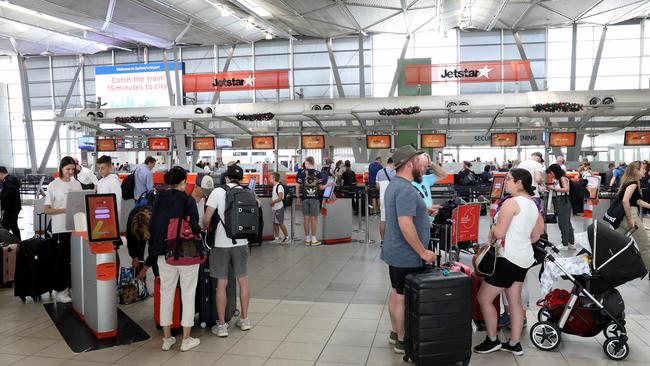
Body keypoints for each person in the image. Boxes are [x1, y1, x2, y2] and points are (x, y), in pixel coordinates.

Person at [473, 169, 544, 356]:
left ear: (520, 183)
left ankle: (492, 340)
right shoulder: (533, 205)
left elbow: (499, 233)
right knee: (515, 301)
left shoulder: (511, 203)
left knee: (483, 298)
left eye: (509, 180)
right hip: (523, 259)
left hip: (507, 259)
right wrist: (520, 241)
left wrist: (494, 228)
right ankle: (514, 343)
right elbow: (536, 236)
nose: (506, 183)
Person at [381, 145, 437, 354]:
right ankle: (403, 340)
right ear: (409, 164)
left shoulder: (396, 184)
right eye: (420, 163)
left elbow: (402, 214)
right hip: (406, 254)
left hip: (396, 251)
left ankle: (396, 332)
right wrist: (423, 252)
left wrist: (424, 210)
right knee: (402, 297)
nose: (423, 168)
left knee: (396, 293)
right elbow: (405, 224)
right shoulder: (404, 188)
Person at [149, 166, 201, 352]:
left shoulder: (158, 199)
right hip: (185, 253)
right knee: (188, 293)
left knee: (166, 294)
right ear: (183, 182)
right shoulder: (187, 200)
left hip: (164, 254)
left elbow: (153, 227)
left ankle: (167, 338)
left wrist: (152, 255)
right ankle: (186, 340)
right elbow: (195, 227)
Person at [203, 163, 252, 337]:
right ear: (240, 179)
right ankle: (245, 320)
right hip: (242, 242)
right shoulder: (248, 192)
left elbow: (207, 219)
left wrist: (203, 227)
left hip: (221, 245)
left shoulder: (218, 191)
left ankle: (222, 326)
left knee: (221, 284)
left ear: (226, 178)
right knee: (243, 281)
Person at [43, 156, 83, 303]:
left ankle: (71, 287)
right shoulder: (54, 185)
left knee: (73, 260)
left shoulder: (77, 184)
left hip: (75, 227)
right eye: (68, 169)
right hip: (60, 228)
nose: (70, 172)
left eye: (73, 169)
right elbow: (46, 210)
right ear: (61, 168)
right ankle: (60, 290)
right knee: (61, 260)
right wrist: (64, 210)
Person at [616, 161, 650, 273]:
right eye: (643, 169)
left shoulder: (629, 182)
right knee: (645, 246)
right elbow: (625, 200)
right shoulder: (633, 183)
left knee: (614, 242)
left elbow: (636, 200)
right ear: (636, 170)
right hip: (631, 216)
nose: (645, 171)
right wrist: (630, 218)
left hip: (623, 217)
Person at [96, 155, 124, 277]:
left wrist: (112, 222)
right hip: (102, 220)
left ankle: (115, 278)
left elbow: (116, 203)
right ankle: (108, 276)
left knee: (113, 249)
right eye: (99, 168)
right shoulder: (101, 181)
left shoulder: (113, 180)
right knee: (106, 250)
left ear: (110, 167)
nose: (100, 171)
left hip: (111, 222)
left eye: (103, 168)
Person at [297, 157, 331, 246]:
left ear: (308, 162)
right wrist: (328, 184)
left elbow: (297, 185)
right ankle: (314, 239)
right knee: (314, 219)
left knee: (306, 218)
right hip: (315, 199)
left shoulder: (303, 173)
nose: (304, 164)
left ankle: (307, 239)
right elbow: (320, 188)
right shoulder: (318, 173)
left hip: (305, 198)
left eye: (305, 162)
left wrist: (298, 197)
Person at [546, 164, 575, 250]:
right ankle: (570, 242)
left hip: (563, 201)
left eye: (551, 173)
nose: (550, 175)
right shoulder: (559, 179)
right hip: (563, 200)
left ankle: (565, 244)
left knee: (563, 223)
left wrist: (553, 188)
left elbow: (566, 189)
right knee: (567, 223)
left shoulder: (562, 178)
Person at [412, 154, 447, 223]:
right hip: (416, 222)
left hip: (428, 221)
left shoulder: (425, 178)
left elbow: (443, 175)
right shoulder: (406, 182)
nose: (423, 169)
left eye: (425, 167)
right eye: (420, 166)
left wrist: (431, 163)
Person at [376, 158, 396, 244]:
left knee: (383, 219)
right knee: (393, 220)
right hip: (392, 198)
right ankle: (392, 240)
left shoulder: (379, 172)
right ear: (393, 163)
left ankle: (383, 240)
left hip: (382, 198)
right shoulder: (395, 173)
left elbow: (377, 186)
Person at [0, 167, 21, 240]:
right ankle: (19, 244)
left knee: (5, 228)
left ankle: (4, 245)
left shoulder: (9, 181)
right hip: (14, 208)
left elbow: (9, 195)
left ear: (1, 173)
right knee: (14, 226)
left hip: (10, 209)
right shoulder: (11, 179)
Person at [270, 172, 288, 245]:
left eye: (270, 177)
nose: (269, 179)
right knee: (275, 223)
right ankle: (277, 238)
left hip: (279, 208)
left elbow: (280, 198)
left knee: (280, 223)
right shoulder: (274, 186)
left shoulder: (279, 186)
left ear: (274, 178)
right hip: (275, 208)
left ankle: (287, 237)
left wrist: (273, 202)